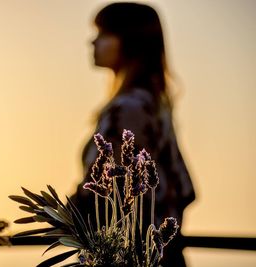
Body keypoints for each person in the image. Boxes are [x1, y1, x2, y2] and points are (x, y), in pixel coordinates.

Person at [71, 3, 195, 266]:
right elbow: (185, 189)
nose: (93, 42)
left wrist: (53, 218)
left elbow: (100, 194)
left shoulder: (130, 108)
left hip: (131, 257)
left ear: (130, 41)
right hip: (158, 256)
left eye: (104, 34)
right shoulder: (153, 105)